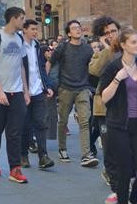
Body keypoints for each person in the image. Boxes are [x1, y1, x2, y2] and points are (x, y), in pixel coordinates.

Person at [100, 28, 137, 204]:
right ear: (123, 45)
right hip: (118, 125)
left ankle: (133, 199)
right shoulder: (113, 68)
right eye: (133, 42)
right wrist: (117, 79)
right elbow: (104, 97)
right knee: (124, 171)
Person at [0, 7, 30, 184]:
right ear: (13, 18)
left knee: (14, 132)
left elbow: (21, 66)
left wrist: (25, 90)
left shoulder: (20, 38)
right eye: (21, 19)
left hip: (17, 92)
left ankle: (15, 168)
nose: (23, 22)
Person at [48, 19, 98, 167]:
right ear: (69, 33)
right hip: (65, 88)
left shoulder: (87, 49)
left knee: (84, 121)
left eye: (79, 27)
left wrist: (90, 87)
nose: (78, 29)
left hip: (82, 88)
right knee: (63, 121)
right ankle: (62, 149)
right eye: (74, 28)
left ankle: (86, 155)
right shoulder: (62, 47)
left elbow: (93, 68)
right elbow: (50, 62)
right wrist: (48, 84)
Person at [89, 15, 122, 203]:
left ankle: (118, 173)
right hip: (104, 107)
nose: (111, 35)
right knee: (109, 147)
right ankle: (114, 182)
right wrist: (107, 49)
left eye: (113, 31)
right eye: (106, 33)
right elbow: (94, 71)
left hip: (125, 105)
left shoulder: (127, 48)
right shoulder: (100, 52)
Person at [20, 19, 54, 170]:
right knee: (25, 125)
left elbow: (39, 68)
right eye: (32, 29)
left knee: (41, 124)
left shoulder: (37, 46)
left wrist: (47, 86)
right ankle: (23, 156)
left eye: (36, 29)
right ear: (24, 30)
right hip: (23, 91)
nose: (35, 32)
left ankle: (43, 157)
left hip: (38, 90)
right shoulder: (19, 46)